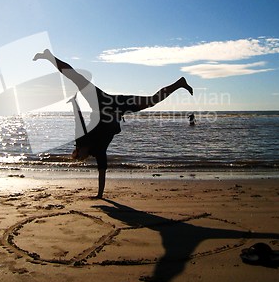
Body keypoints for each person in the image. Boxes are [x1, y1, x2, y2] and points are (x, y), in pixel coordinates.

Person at [33, 49, 193, 198]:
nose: (79, 156)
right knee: (151, 102)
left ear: (78, 149)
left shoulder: (80, 139)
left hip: (100, 102)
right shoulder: (99, 151)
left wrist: (74, 103)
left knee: (75, 77)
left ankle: (49, 57)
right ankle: (179, 83)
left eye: (77, 154)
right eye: (80, 158)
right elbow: (102, 172)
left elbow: (78, 120)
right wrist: (99, 195)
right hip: (117, 107)